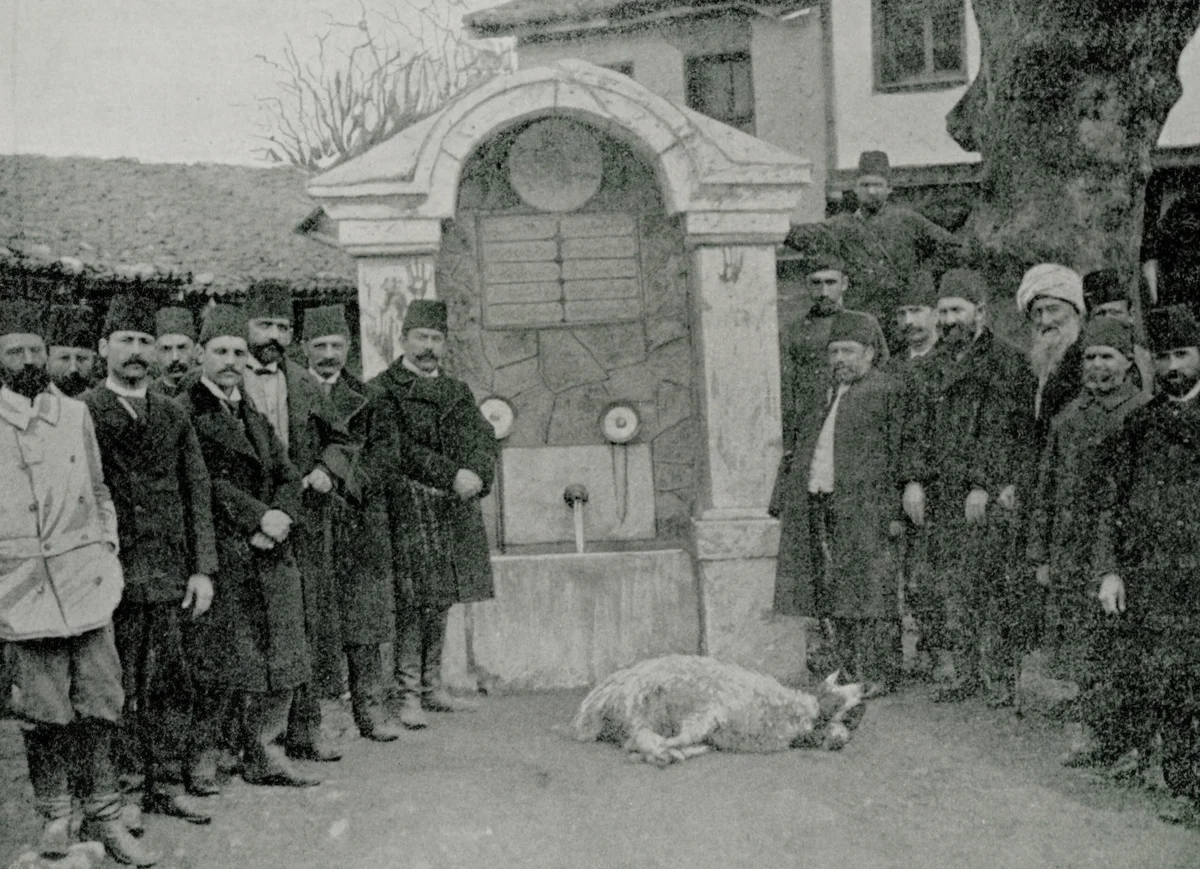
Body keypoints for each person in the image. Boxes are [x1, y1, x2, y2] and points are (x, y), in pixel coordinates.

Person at [0, 298, 158, 865]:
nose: (26, 359)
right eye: (13, 350)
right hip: (22, 592)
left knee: (99, 704)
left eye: (34, 350)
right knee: (44, 714)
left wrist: (107, 552)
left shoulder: (74, 414)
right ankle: (55, 818)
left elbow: (99, 492)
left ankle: (108, 815)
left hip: (85, 584)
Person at [84, 294, 218, 824]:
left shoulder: (173, 413)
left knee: (167, 682)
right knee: (117, 686)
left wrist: (202, 568)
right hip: (110, 574)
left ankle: (164, 781)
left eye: (145, 342)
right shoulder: (84, 411)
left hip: (167, 571)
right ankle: (127, 791)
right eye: (126, 341)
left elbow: (196, 490)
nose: (136, 352)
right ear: (104, 348)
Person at [174, 305, 317, 789]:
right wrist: (259, 516)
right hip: (225, 548)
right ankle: (205, 756)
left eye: (238, 351)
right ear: (200, 355)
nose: (231, 360)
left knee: (282, 651)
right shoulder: (184, 410)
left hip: (272, 545)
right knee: (220, 659)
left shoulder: (250, 411)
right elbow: (204, 483)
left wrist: (281, 517)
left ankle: (266, 750)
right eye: (220, 351)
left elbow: (286, 472)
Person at [360, 300, 496, 729]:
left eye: (436, 339)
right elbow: (397, 450)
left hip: (452, 508)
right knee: (411, 601)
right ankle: (406, 693)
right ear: (403, 340)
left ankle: (434, 686)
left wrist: (477, 473)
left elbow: (482, 437)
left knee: (441, 600)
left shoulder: (458, 391)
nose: (428, 348)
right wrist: (451, 473)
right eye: (421, 338)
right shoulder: (382, 389)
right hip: (408, 507)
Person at [1092, 304, 1200, 829]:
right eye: (1163, 356)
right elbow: (1110, 503)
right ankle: (1184, 786)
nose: (1173, 365)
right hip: (1157, 577)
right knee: (1173, 680)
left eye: (1182, 353)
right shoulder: (1139, 424)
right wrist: (1110, 570)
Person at [901, 269, 1029, 705]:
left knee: (991, 585)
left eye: (958, 309)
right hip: (939, 494)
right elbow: (916, 429)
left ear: (982, 312)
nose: (950, 319)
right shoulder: (931, 367)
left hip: (982, 496)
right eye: (943, 311)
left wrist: (983, 484)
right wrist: (914, 480)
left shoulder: (1007, 362)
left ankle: (1001, 676)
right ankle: (966, 673)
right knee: (947, 584)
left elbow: (1004, 431)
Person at [1026, 318, 1149, 767]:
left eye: (1107, 357)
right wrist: (1039, 553)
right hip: (1069, 550)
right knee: (1081, 645)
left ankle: (1130, 743)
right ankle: (1096, 736)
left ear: (1128, 362)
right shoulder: (1067, 418)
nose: (1097, 365)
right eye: (1090, 357)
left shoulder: (1141, 412)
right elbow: (1046, 491)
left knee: (1119, 646)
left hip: (1117, 552)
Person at [240, 280, 355, 764]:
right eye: (264, 325)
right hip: (243, 521)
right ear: (246, 326)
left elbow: (342, 440)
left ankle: (303, 731)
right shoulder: (228, 378)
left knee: (304, 625)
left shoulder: (304, 382)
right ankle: (243, 744)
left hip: (302, 521)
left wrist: (327, 470)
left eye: (283, 327)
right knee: (247, 631)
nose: (274, 336)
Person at [772, 310, 904, 697]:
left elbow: (901, 451)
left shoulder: (887, 391)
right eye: (834, 352)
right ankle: (849, 668)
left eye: (849, 351)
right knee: (834, 588)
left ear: (869, 353)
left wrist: (896, 509)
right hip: (824, 502)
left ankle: (881, 672)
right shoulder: (825, 394)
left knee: (874, 590)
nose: (840, 360)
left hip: (870, 508)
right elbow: (801, 447)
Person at [301, 305, 401, 742]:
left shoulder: (371, 397)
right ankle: (319, 718)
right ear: (303, 348)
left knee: (364, 620)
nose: (328, 354)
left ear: (348, 348)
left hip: (359, 518)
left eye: (336, 346)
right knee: (313, 618)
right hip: (308, 515)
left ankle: (371, 711)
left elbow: (384, 454)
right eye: (319, 345)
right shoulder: (294, 394)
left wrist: (347, 485)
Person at [784, 150, 962, 343]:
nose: (871, 191)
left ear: (889, 188)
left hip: (903, 316)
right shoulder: (841, 225)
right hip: (863, 317)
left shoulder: (907, 220)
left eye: (877, 185)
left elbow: (954, 247)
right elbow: (800, 235)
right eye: (865, 185)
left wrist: (922, 276)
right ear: (855, 188)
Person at [777, 252, 889, 452]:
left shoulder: (865, 323)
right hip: (810, 423)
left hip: (857, 420)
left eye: (831, 282)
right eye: (816, 283)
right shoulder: (793, 331)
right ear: (806, 284)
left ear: (844, 283)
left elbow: (882, 372)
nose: (823, 292)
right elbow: (786, 388)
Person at [1081, 269, 1154, 396]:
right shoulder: (1084, 362)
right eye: (1100, 314)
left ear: (1131, 316)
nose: (1108, 320)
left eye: (1115, 313)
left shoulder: (1147, 359)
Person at [46, 304, 100, 398]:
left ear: (94, 361)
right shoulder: (32, 406)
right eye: (64, 358)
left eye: (81, 359)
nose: (73, 369)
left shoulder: (103, 406)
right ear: (47, 361)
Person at [889, 271, 939, 369]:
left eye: (916, 311)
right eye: (901, 313)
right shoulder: (892, 366)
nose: (908, 321)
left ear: (936, 314)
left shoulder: (952, 360)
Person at [152, 306, 198, 398]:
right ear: (155, 354)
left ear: (196, 351)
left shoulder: (209, 394)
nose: (175, 357)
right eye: (166, 349)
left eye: (182, 347)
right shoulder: (148, 396)